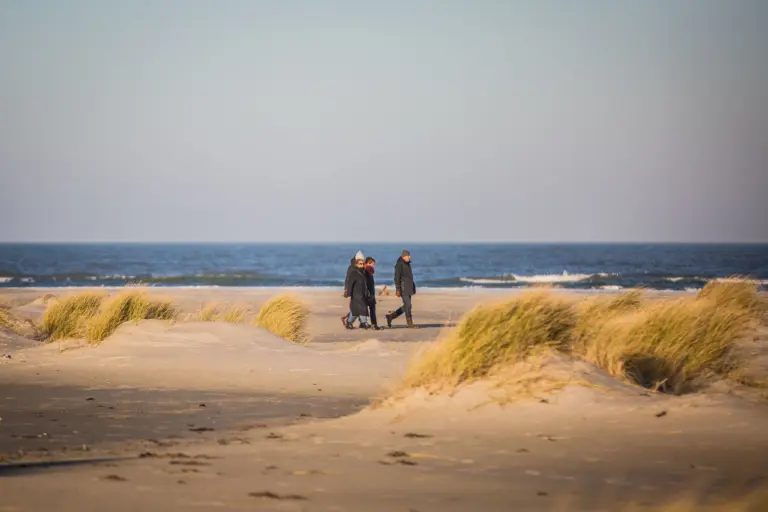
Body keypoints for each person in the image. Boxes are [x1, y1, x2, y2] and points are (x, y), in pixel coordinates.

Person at [386, 249, 417, 328]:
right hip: (403, 288)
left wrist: (413, 287)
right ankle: (410, 324)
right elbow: (396, 277)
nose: (409, 257)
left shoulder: (407, 264)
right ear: (403, 256)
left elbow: (409, 277)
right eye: (407, 255)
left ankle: (390, 317)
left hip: (409, 287)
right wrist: (398, 289)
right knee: (408, 305)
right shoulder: (399, 264)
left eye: (409, 255)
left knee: (407, 306)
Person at [343, 255, 371, 329]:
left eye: (363, 264)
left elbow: (365, 284)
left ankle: (351, 322)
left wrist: (367, 293)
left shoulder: (364, 273)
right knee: (361, 309)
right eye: (360, 264)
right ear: (356, 264)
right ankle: (363, 322)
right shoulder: (354, 273)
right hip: (356, 294)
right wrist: (348, 293)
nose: (362, 265)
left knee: (357, 310)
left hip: (362, 294)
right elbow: (350, 283)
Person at [342, 251, 364, 327]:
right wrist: (346, 289)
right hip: (353, 290)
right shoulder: (351, 268)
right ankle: (347, 319)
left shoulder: (360, 267)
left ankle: (361, 321)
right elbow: (348, 279)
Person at [364, 256, 381, 330]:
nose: (373, 266)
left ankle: (373, 324)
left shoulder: (370, 271)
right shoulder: (365, 271)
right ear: (367, 263)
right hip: (367, 293)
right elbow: (365, 283)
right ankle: (371, 324)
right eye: (372, 264)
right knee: (361, 309)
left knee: (371, 309)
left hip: (371, 293)